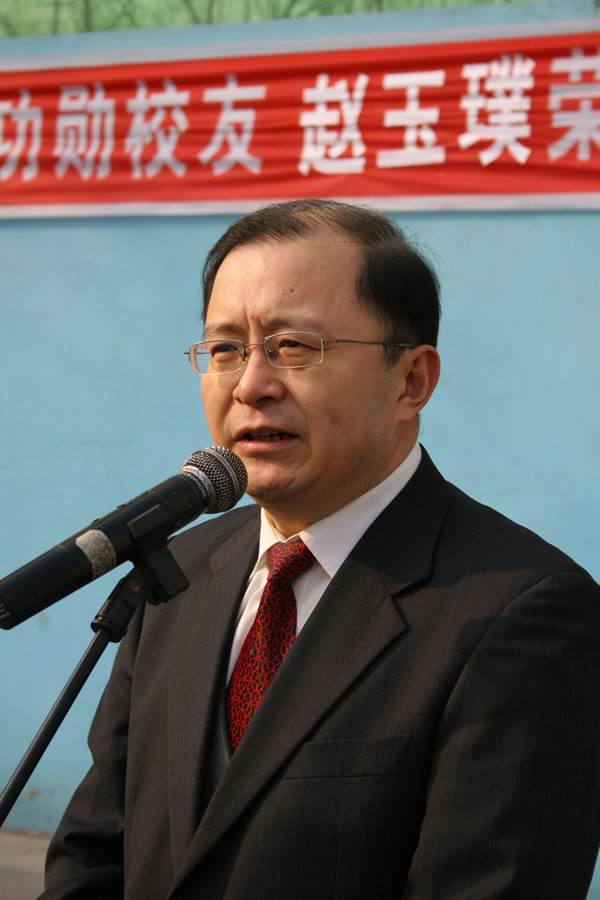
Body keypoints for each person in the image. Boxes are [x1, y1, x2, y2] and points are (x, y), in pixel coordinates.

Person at [41, 199, 600, 899]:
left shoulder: (522, 613)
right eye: (225, 349)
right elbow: (93, 853)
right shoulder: (177, 572)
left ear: (411, 381)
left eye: (294, 346)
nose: (251, 385)